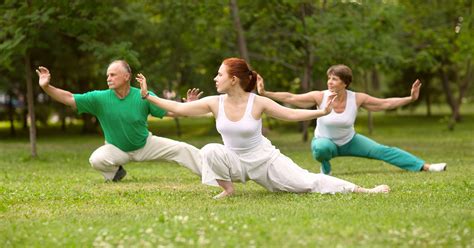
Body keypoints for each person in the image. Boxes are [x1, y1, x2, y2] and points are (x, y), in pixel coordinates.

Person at [137, 58, 390, 198]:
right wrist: (148, 96)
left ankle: (362, 190)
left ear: (233, 79)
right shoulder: (214, 103)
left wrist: (321, 111)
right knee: (210, 150)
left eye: (219, 75)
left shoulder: (257, 102)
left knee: (306, 184)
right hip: (235, 162)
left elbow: (290, 113)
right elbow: (179, 109)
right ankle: (228, 190)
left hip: (266, 161)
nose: (215, 78)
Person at [257, 64, 447, 175]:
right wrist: (265, 93)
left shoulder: (357, 98)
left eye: (335, 79)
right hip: (325, 142)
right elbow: (291, 98)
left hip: (350, 141)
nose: (330, 82)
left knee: (384, 151)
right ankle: (325, 166)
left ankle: (425, 167)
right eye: (329, 78)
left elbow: (385, 104)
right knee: (322, 149)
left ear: (345, 83)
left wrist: (411, 98)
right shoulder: (319, 96)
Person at [36, 60, 202, 182]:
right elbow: (69, 98)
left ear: (126, 76)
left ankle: (211, 173)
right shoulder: (99, 98)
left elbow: (171, 111)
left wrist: (187, 106)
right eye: (108, 75)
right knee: (96, 159)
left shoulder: (143, 95)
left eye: (113, 74)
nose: (108, 78)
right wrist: (46, 87)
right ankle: (116, 173)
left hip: (145, 144)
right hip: (116, 149)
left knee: (182, 148)